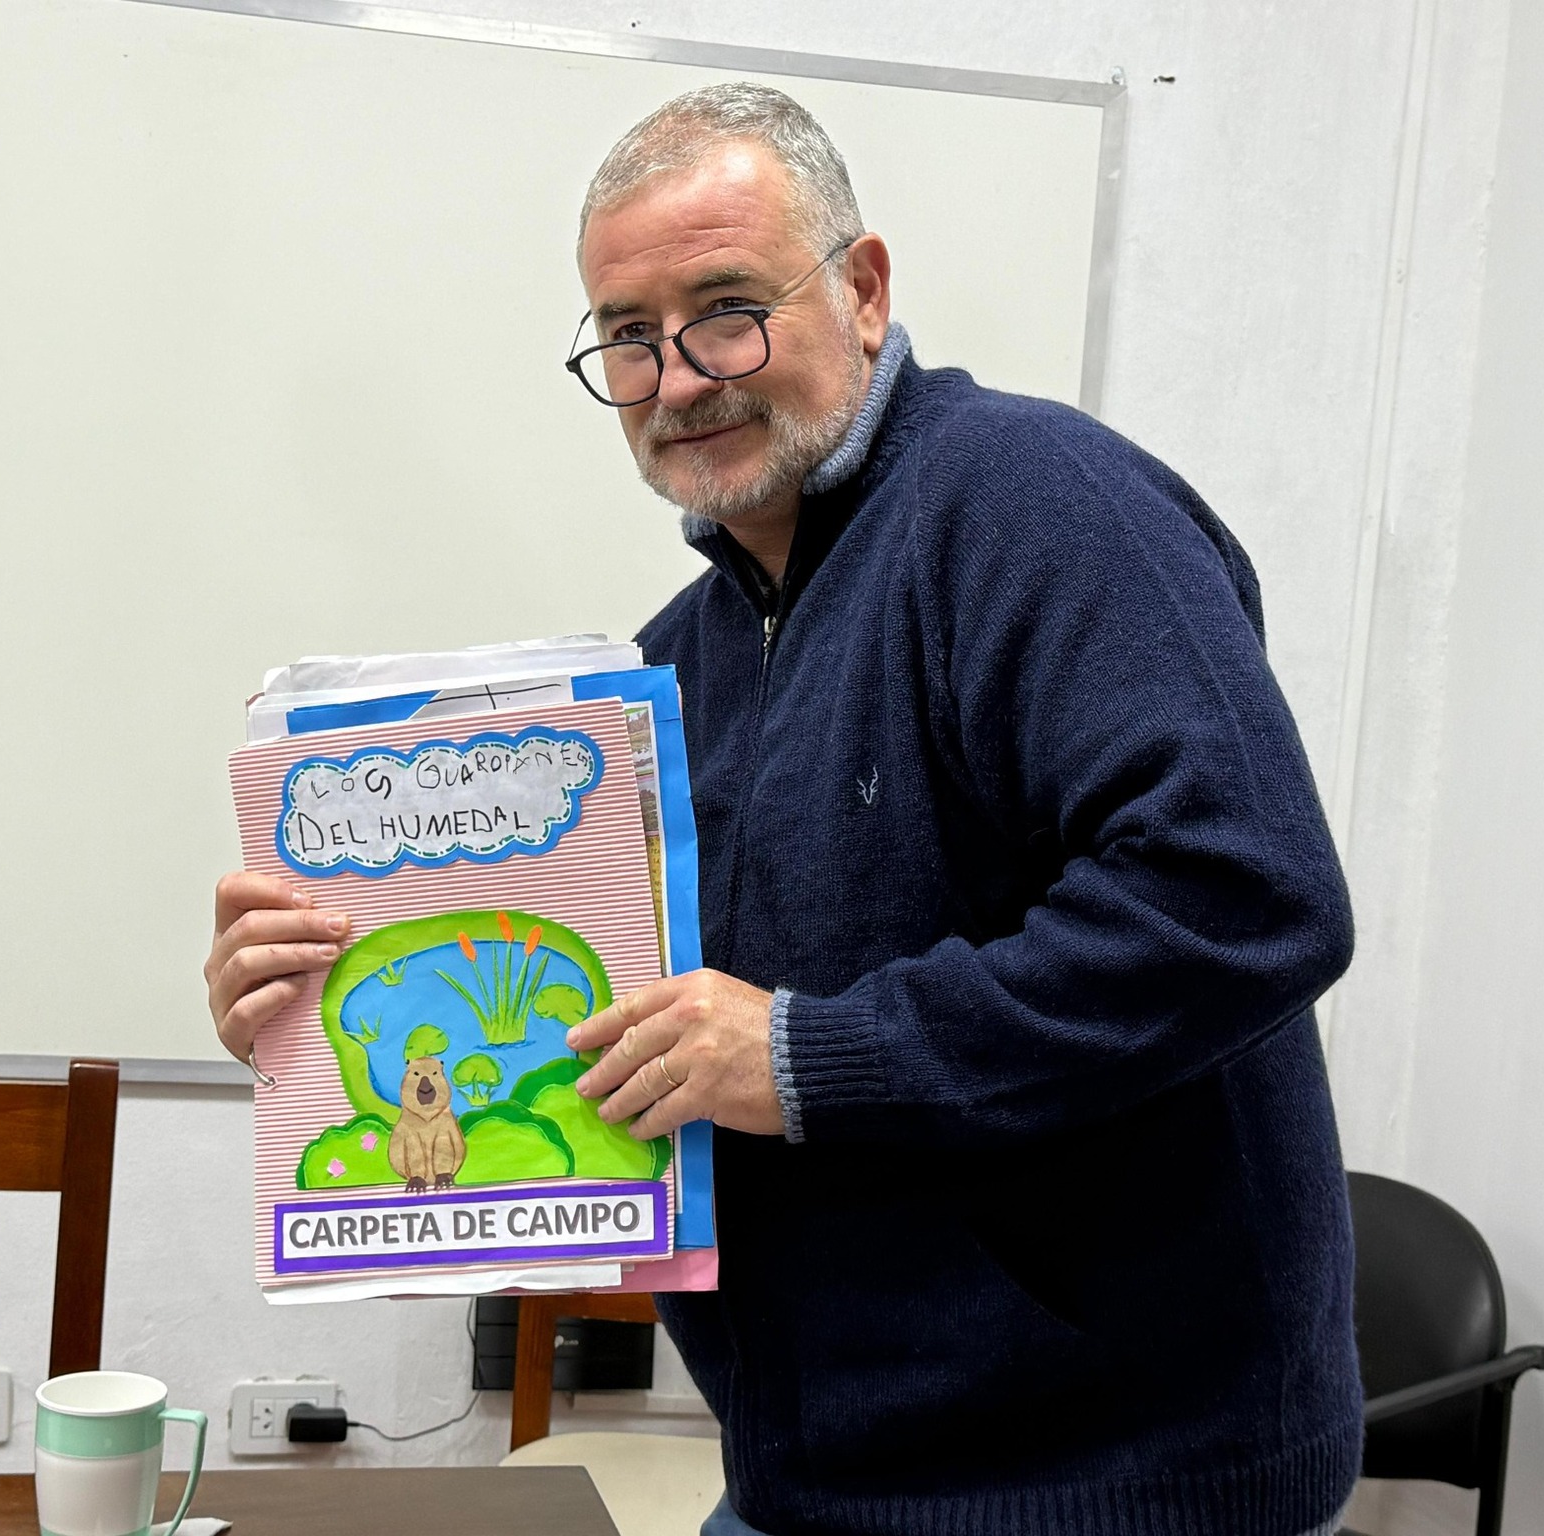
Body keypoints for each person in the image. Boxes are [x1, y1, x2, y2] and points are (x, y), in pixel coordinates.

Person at [206, 84, 1360, 1536]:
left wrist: (810, 1054)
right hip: (811, 1483)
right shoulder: (663, 674)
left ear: (863, 291)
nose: (680, 378)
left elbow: (1246, 897)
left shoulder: (1038, 505)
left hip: (1106, 1491)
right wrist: (321, 1026)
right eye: (629, 335)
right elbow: (608, 1060)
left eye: (727, 311)